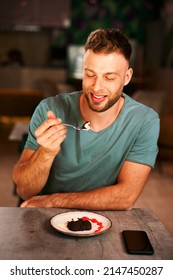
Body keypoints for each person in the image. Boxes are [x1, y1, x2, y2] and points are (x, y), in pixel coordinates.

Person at [12, 28, 160, 209]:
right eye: (90, 74)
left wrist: (53, 201)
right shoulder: (49, 109)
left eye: (109, 77)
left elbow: (126, 196)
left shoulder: (144, 121)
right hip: (44, 217)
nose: (97, 87)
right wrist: (45, 153)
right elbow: (25, 191)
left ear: (127, 77)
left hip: (100, 219)